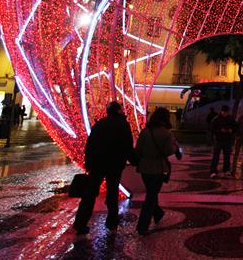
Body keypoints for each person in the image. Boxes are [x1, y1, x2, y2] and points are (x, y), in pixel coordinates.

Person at [73, 101, 134, 234]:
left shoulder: (100, 124)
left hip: (97, 163)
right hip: (115, 164)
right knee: (112, 192)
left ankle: (80, 222)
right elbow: (128, 145)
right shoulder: (123, 125)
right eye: (121, 109)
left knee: (90, 193)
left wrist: (88, 162)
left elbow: (90, 144)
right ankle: (112, 220)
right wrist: (134, 160)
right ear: (118, 111)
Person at [134, 107, 181, 235]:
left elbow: (138, 150)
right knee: (151, 196)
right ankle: (142, 226)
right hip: (158, 168)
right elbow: (168, 151)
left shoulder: (145, 131)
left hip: (144, 168)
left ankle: (158, 213)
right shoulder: (166, 133)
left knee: (151, 193)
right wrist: (175, 147)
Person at [209, 105, 237, 178]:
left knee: (227, 156)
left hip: (227, 140)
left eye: (226, 112)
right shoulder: (216, 119)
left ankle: (226, 170)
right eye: (224, 112)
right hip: (218, 140)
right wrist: (219, 130)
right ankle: (213, 171)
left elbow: (236, 127)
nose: (225, 114)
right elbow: (212, 129)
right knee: (216, 156)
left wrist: (232, 130)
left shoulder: (231, 119)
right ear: (221, 111)